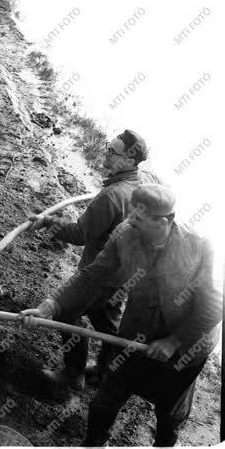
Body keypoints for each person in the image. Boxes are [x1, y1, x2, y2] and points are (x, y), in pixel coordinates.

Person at [21, 183, 222, 447]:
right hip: (135, 335)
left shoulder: (200, 245)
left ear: (164, 221)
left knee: (169, 414)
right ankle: (93, 443)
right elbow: (92, 275)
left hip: (188, 345)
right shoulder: (125, 234)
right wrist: (51, 306)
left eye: (139, 218)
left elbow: (215, 305)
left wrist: (174, 341)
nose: (130, 220)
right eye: (131, 213)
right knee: (105, 400)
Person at [29, 130, 157, 388]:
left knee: (66, 314)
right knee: (107, 322)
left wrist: (47, 222)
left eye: (113, 152)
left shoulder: (110, 197)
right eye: (107, 147)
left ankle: (73, 375)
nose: (105, 154)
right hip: (126, 275)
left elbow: (79, 234)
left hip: (100, 274)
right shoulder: (143, 182)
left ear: (131, 161)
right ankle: (103, 372)